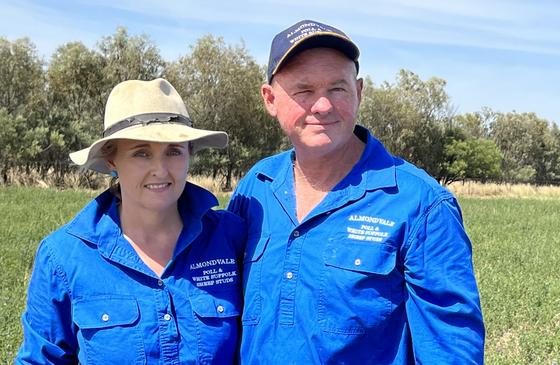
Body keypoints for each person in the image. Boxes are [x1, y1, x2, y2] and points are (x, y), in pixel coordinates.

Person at [227, 20, 485, 364]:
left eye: (338, 88)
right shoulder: (256, 187)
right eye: (303, 90)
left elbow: (451, 350)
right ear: (270, 99)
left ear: (359, 91)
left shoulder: (420, 204)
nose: (322, 105)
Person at [16, 78, 244, 364]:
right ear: (112, 160)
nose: (160, 170)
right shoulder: (63, 257)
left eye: (173, 151)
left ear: (189, 155)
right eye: (141, 153)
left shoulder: (231, 238)